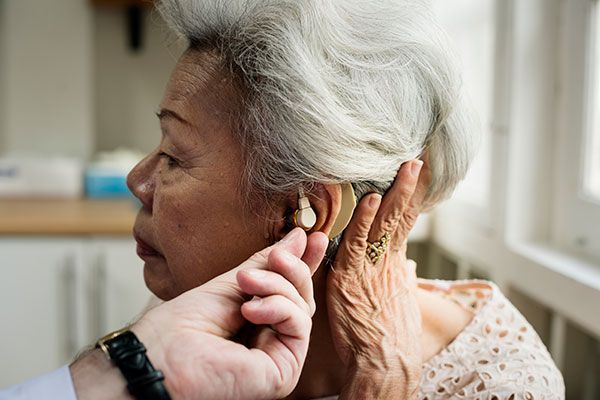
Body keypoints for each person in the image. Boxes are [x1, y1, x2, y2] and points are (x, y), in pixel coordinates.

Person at [118, 0, 561, 398]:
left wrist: (381, 379)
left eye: (173, 155)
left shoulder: (502, 385)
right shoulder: (201, 300)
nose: (138, 180)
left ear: (306, 215)